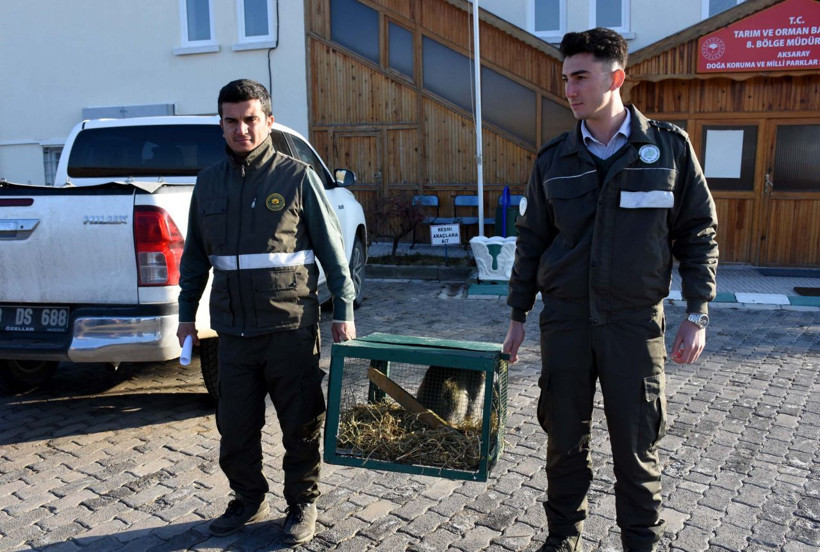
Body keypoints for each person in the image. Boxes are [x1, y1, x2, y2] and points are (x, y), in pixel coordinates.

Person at [502, 28, 718, 552]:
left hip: (633, 322)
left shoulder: (667, 149)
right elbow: (531, 241)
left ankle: (640, 543)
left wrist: (697, 312)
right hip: (567, 323)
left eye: (581, 77)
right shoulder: (554, 159)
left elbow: (698, 231)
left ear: (616, 77)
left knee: (637, 446)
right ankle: (563, 539)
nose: (570, 90)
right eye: (565, 79)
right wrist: (516, 315)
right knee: (563, 444)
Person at [177, 79, 356, 544]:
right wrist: (184, 315)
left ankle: (301, 503)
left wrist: (345, 309)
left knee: (300, 424)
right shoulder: (208, 183)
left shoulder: (297, 178)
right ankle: (247, 498)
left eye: (250, 119)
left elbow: (334, 253)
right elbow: (195, 258)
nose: (242, 129)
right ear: (221, 125)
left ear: (268, 121)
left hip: (290, 327)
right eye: (232, 121)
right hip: (232, 333)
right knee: (235, 428)